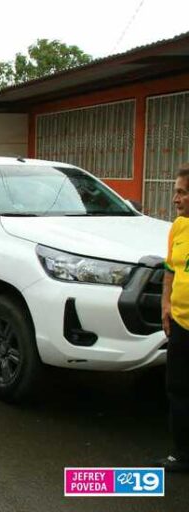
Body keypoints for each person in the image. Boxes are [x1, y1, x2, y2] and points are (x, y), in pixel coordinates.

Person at [159, 163, 189, 472]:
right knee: (178, 390)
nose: (175, 199)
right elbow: (170, 269)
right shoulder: (179, 227)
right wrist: (165, 304)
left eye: (181, 192)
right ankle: (182, 454)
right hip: (180, 324)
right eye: (175, 191)